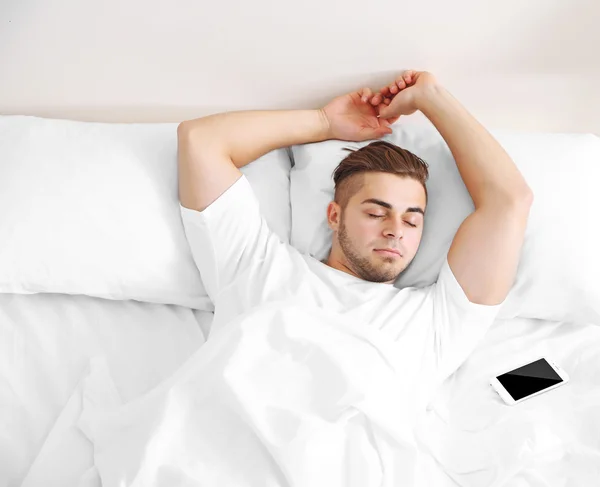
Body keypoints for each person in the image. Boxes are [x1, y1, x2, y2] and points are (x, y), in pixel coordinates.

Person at [173, 70, 535, 484]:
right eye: (376, 212)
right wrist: (324, 123)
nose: (395, 230)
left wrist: (434, 98)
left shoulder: (436, 321)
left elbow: (510, 201)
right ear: (334, 215)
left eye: (412, 221)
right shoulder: (258, 265)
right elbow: (200, 141)